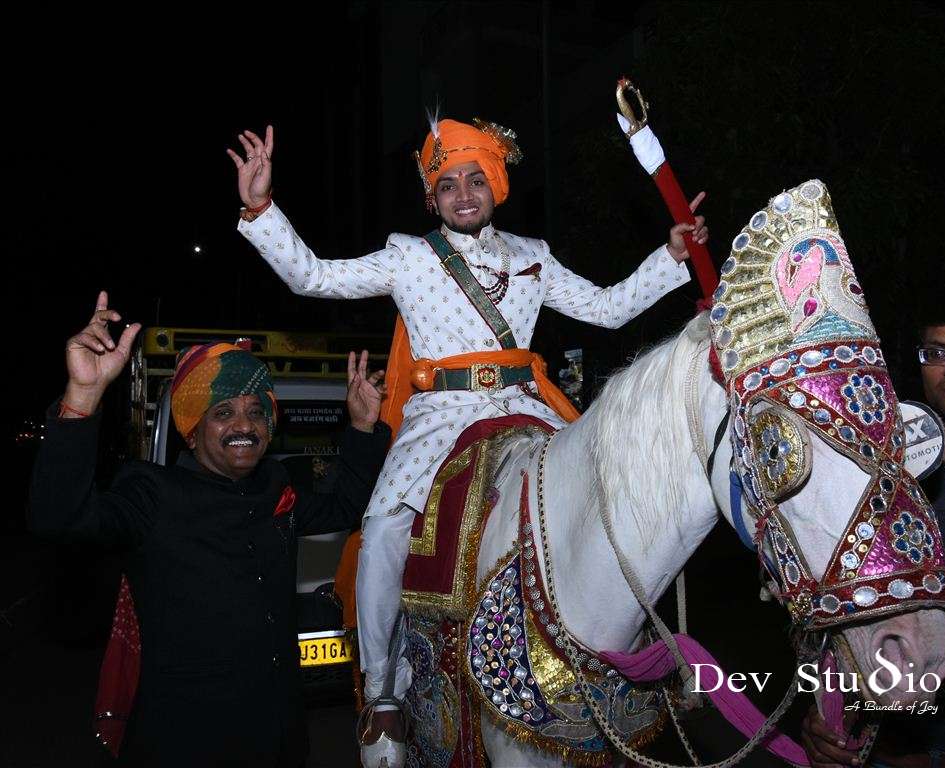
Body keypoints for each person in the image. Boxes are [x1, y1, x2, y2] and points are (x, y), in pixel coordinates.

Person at [229, 118, 709, 764]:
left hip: (524, 408)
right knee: (384, 527)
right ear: (432, 198)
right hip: (441, 418)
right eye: (448, 184)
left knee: (607, 490)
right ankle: (383, 692)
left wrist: (671, 257)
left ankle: (636, 653)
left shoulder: (533, 255)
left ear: (496, 186)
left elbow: (606, 308)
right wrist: (261, 208)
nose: (463, 194)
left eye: (475, 179)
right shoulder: (409, 256)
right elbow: (314, 276)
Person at [29, 291, 391, 768]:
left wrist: (361, 428)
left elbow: (348, 505)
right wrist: (82, 399)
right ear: (193, 428)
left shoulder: (274, 488)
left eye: (256, 411)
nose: (244, 425)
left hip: (278, 741)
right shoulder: (153, 493)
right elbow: (60, 519)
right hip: (184, 743)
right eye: (223, 413)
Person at [801, 281, 945, 767]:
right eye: (937, 353)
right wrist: (827, 711)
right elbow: (831, 617)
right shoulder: (868, 485)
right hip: (903, 753)